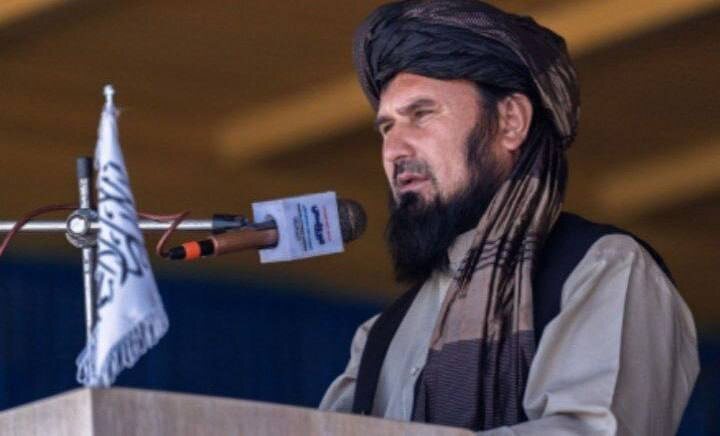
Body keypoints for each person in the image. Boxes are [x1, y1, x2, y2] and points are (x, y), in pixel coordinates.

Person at [319, 1, 699, 435]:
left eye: (421, 114)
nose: (394, 149)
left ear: (510, 121)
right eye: (386, 127)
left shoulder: (602, 270)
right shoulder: (379, 337)